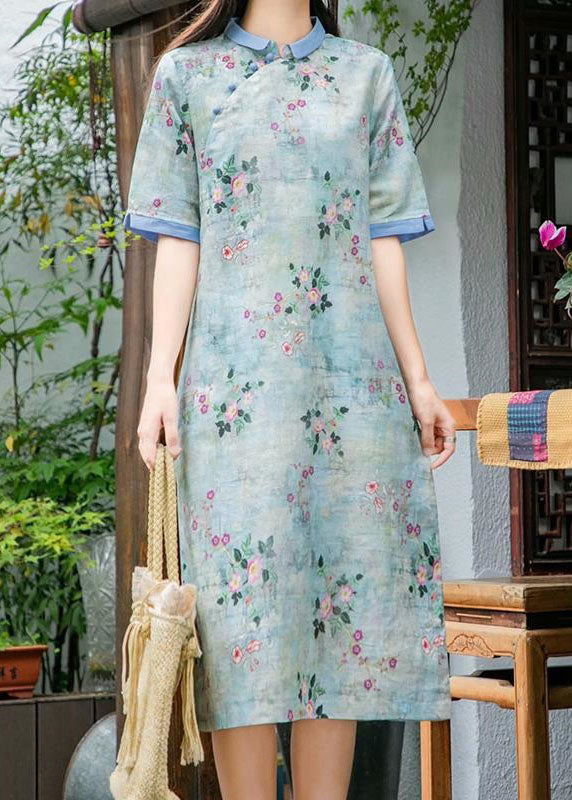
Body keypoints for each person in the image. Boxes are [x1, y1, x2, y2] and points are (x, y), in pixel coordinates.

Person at [126, 1, 457, 798]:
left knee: (336, 620)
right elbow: (178, 238)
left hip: (351, 395)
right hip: (231, 404)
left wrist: (418, 380)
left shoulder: (365, 75)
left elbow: (382, 239)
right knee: (239, 627)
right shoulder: (186, 76)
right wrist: (159, 377)